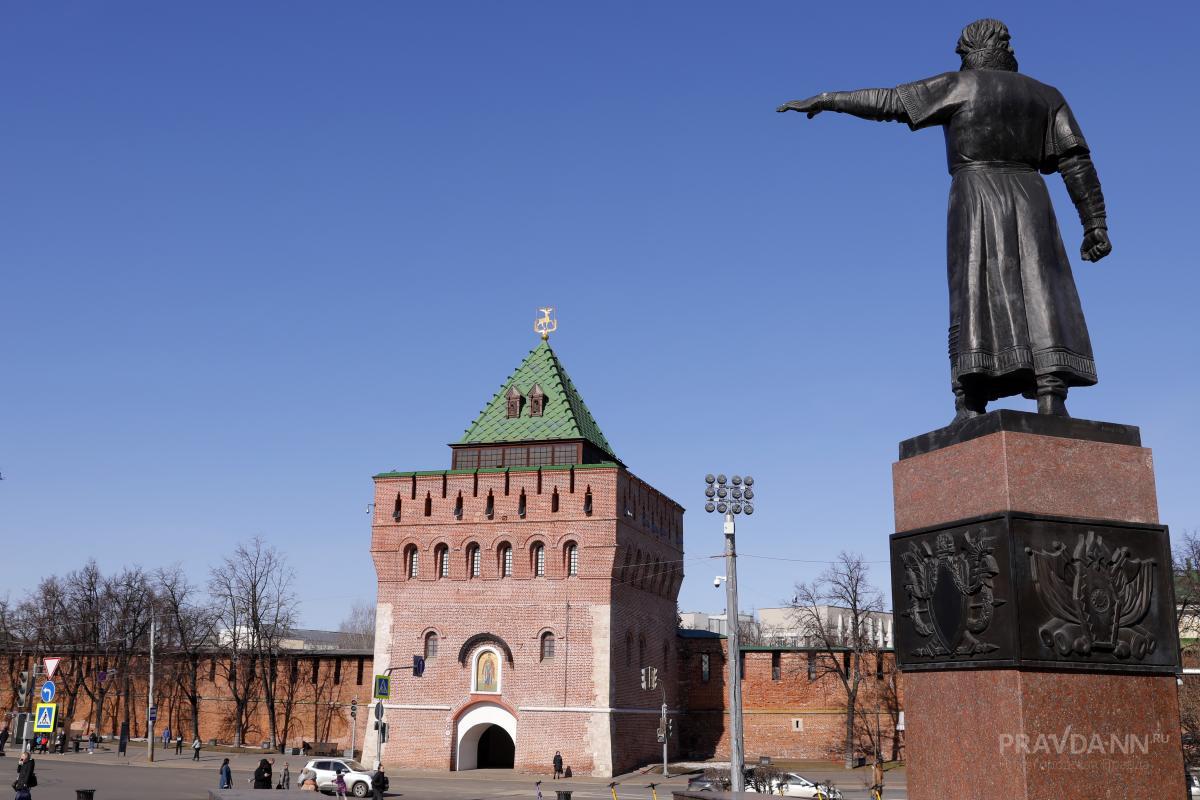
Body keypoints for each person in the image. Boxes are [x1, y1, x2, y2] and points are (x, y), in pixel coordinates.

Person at [778, 18, 1110, 421]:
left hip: (976, 195)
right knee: (1039, 287)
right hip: (1030, 198)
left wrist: (828, 98)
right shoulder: (1046, 95)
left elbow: (890, 103)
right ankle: (1049, 395)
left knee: (973, 290)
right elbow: (1076, 163)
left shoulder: (960, 85)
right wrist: (1094, 223)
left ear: (968, 52)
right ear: (1001, 48)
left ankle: (970, 400)